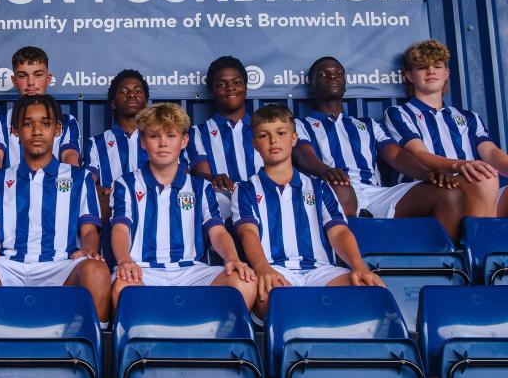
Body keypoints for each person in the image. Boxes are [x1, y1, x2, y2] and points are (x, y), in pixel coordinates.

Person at [0, 94, 111, 322]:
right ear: (15, 131)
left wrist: (89, 250)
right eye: (28, 124)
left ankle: (91, 350)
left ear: (57, 130)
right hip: (9, 265)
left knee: (97, 271)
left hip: (61, 265)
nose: (37, 131)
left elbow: (89, 231)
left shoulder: (80, 178)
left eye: (45, 124)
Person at [232, 104, 384, 315]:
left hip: (321, 270)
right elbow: (247, 232)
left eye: (281, 133)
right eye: (264, 135)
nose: (273, 141)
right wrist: (262, 268)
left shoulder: (319, 187)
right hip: (275, 269)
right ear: (254, 144)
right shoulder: (245, 189)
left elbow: (339, 231)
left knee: (372, 292)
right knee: (275, 301)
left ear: (294, 139)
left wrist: (359, 266)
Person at [293, 55, 469, 239]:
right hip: (332, 189)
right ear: (312, 85)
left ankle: (441, 264)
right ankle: (345, 264)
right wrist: (327, 171)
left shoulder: (368, 125)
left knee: (448, 193)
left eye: (338, 73)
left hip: (375, 193)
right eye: (323, 74)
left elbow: (396, 155)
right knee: (341, 188)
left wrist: (427, 174)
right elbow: (304, 155)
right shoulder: (300, 125)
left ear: (345, 84)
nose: (332, 77)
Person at [111, 103, 256, 310]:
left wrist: (232, 258)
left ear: (184, 140)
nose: (163, 143)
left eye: (171, 135)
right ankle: (141, 342)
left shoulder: (201, 187)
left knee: (245, 282)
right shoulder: (125, 184)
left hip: (192, 271)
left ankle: (217, 341)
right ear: (143, 142)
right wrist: (124, 260)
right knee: (123, 287)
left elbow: (216, 231)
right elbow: (120, 228)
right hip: (143, 269)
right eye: (154, 136)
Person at [384, 39, 508, 216]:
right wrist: (462, 165)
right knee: (484, 178)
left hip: (477, 187)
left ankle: (485, 237)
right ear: (409, 76)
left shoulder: (468, 117)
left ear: (446, 73)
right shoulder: (399, 113)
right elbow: (420, 154)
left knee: (484, 179)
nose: (431, 71)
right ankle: (476, 242)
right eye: (422, 67)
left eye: (437, 66)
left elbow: (491, 153)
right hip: (432, 186)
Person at [184, 56, 263, 218]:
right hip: (223, 209)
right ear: (212, 91)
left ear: (246, 87)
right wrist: (214, 179)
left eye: (237, 82)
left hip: (264, 203)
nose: (230, 88)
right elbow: (200, 172)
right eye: (221, 84)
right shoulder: (197, 132)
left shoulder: (264, 128)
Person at [0, 46, 80, 172]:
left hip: (54, 191)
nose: (31, 82)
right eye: (23, 76)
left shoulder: (66, 121)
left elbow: (70, 160)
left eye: (38, 75)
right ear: (14, 80)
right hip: (10, 191)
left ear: (48, 79)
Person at [84, 69, 149, 217]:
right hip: (114, 217)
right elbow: (87, 181)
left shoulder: (160, 139)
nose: (132, 94)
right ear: (113, 103)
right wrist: (95, 189)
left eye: (138, 91)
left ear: (146, 102)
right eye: (124, 91)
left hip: (153, 217)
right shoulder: (96, 143)